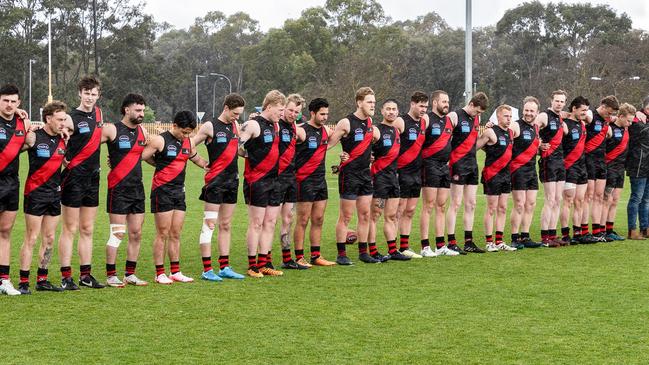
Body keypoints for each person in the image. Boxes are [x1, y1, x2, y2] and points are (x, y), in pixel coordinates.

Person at [142, 111, 208, 284]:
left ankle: (175, 271)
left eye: (189, 133)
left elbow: (195, 158)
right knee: (162, 233)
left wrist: (210, 166)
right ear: (175, 126)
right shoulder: (160, 140)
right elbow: (142, 156)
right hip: (161, 191)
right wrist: (158, 164)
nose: (186, 135)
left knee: (176, 233)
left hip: (180, 192)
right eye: (184, 132)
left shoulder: (187, 142)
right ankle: (159, 273)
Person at [57, 76, 106, 290]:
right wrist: (64, 159)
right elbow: (56, 137)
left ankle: (85, 275)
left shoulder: (99, 113)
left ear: (98, 95)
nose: (90, 97)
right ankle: (66, 277)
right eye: (86, 93)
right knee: (70, 228)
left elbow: (98, 138)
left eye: (94, 94)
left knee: (87, 228)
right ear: (80, 93)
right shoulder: (70, 118)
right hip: (73, 177)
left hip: (93, 178)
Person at [193, 94, 246, 281]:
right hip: (215, 182)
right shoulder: (210, 126)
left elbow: (236, 150)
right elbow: (189, 145)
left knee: (226, 224)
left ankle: (224, 267)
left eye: (239, 114)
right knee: (209, 224)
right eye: (235, 113)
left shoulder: (235, 126)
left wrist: (247, 153)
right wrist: (200, 162)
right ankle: (207, 269)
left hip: (232, 181)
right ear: (226, 108)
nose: (237, 117)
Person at [17, 101, 68, 294]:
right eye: (60, 119)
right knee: (31, 237)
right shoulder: (33, 137)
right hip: (35, 193)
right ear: (48, 118)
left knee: (49, 238)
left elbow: (65, 162)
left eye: (64, 119)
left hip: (55, 195)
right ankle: (23, 282)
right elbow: (14, 149)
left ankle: (42, 279)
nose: (63, 123)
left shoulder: (64, 139)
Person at [238, 90, 286, 278]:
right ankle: (252, 266)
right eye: (280, 110)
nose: (281, 114)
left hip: (275, 181)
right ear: (269, 106)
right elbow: (235, 146)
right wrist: (248, 155)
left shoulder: (276, 126)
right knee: (256, 223)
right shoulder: (252, 124)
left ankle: (264, 262)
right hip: (256, 181)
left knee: (271, 222)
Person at [103, 94, 149, 287]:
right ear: (126, 109)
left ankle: (130, 274)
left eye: (143, 110)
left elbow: (144, 155)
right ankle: (111, 274)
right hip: (118, 189)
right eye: (138, 110)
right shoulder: (112, 129)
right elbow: (87, 146)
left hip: (137, 189)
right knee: (118, 233)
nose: (141, 114)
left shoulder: (143, 132)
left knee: (136, 233)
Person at [328, 87, 375, 265]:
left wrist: (372, 155)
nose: (373, 105)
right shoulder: (346, 122)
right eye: (369, 102)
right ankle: (341, 255)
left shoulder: (371, 122)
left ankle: (363, 252)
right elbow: (328, 144)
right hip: (349, 175)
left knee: (365, 214)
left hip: (365, 174)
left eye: (374, 102)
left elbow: (374, 143)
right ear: (359, 102)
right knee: (346, 216)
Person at [293, 98, 337, 267]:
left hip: (320, 180)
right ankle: (298, 257)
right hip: (303, 180)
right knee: (303, 220)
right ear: (312, 113)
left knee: (318, 219)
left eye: (327, 114)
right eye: (322, 114)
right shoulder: (301, 130)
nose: (325, 117)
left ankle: (316, 255)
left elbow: (339, 139)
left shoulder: (326, 130)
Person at [367, 99, 410, 262]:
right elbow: (363, 147)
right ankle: (373, 251)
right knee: (375, 215)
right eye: (388, 109)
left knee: (391, 216)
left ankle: (393, 250)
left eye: (394, 109)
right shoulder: (376, 130)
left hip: (393, 178)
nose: (391, 112)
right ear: (382, 111)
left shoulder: (397, 131)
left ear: (398, 112)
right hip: (378, 178)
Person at [446, 92, 489, 253]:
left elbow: (472, 144)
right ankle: (451, 241)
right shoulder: (455, 116)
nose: (478, 115)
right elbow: (446, 140)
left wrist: (484, 138)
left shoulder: (476, 119)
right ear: (471, 104)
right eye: (477, 111)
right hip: (457, 164)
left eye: (480, 113)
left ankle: (468, 242)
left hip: (472, 164)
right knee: (456, 203)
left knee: (471, 204)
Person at [419, 90, 458, 257]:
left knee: (441, 206)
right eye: (443, 101)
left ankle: (441, 245)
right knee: (428, 205)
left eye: (448, 101)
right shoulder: (427, 119)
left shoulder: (449, 121)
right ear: (435, 103)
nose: (446, 104)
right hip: (429, 166)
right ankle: (425, 246)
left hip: (444, 167)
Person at [0, 84, 31, 296]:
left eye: (13, 101)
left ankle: (3, 280)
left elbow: (28, 144)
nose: (10, 105)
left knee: (5, 232)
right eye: (5, 101)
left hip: (12, 183)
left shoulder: (23, 123)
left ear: (19, 103)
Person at [476, 104, 517, 252]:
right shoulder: (490, 132)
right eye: (506, 116)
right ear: (498, 116)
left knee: (503, 208)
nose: (509, 119)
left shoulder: (511, 133)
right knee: (491, 208)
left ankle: (499, 241)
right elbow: (474, 146)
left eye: (510, 116)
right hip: (492, 174)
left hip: (506, 175)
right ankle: (489, 242)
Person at [395, 91, 428, 259]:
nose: (423, 109)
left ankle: (404, 247)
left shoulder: (424, 123)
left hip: (417, 173)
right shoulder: (401, 121)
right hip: (401, 172)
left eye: (425, 107)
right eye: (421, 106)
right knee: (398, 211)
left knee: (410, 210)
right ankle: (392, 248)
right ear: (412, 104)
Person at [583, 96, 619, 242]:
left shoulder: (607, 121)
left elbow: (619, 119)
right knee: (588, 197)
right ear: (602, 106)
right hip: (589, 161)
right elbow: (584, 114)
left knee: (599, 196)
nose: (609, 116)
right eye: (608, 113)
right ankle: (584, 231)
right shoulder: (592, 115)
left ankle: (598, 232)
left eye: (611, 114)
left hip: (601, 162)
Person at [277, 94, 307, 270]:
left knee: (288, 218)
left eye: (296, 112)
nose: (292, 114)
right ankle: (262, 260)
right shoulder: (275, 126)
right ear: (283, 108)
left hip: (290, 178)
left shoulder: (295, 127)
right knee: (269, 221)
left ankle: (287, 258)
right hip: (274, 179)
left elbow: (304, 137)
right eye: (290, 110)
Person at [509, 97, 543, 249]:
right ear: (522, 110)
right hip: (518, 170)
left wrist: (541, 145)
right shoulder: (515, 125)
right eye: (526, 110)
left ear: (537, 112)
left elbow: (533, 145)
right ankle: (515, 237)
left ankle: (525, 236)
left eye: (532, 111)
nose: (529, 113)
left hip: (531, 170)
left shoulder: (536, 127)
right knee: (519, 204)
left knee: (530, 204)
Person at [536, 90, 567, 247]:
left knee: (557, 199)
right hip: (548, 161)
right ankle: (544, 237)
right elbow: (531, 128)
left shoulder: (561, 118)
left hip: (560, 162)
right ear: (551, 101)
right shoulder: (544, 116)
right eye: (557, 101)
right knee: (550, 199)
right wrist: (539, 143)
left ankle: (553, 235)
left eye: (562, 101)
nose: (559, 103)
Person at [600, 103, 634, 241]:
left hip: (621, 169)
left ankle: (610, 230)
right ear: (620, 116)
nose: (630, 123)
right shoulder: (609, 127)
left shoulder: (627, 128)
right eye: (628, 120)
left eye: (631, 121)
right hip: (609, 167)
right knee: (606, 200)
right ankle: (600, 230)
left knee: (615, 201)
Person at [559, 96, 590, 245]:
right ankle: (565, 234)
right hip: (569, 167)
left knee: (580, 201)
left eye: (587, 110)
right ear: (574, 109)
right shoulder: (565, 124)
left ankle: (578, 232)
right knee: (568, 201)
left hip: (582, 167)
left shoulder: (583, 123)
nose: (585, 113)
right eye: (583, 110)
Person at [626, 96, 649, 239]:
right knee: (636, 198)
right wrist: (636, 115)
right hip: (638, 165)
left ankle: (645, 228)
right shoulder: (636, 121)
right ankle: (632, 229)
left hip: (647, 166)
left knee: (646, 199)